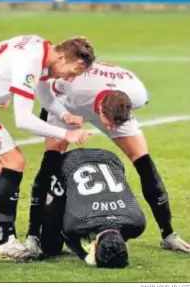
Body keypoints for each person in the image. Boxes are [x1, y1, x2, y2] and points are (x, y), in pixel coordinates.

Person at [0, 35, 95, 260]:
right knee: (14, 161)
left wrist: (64, 114)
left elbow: (44, 92)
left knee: (5, 166)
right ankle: (4, 242)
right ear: (61, 56)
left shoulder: (41, 49)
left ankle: (6, 238)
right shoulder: (31, 61)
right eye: (73, 71)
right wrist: (66, 134)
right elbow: (23, 120)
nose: (69, 78)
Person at [26, 61, 190, 254]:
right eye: (109, 122)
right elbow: (45, 84)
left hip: (111, 102)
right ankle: (32, 237)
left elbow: (121, 117)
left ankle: (168, 235)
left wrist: (117, 120)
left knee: (145, 164)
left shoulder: (136, 94)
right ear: (101, 110)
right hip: (71, 106)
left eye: (117, 123)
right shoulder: (76, 86)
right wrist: (56, 115)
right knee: (50, 163)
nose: (111, 128)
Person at [39, 148, 146, 268]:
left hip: (109, 158)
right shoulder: (76, 223)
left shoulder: (137, 222)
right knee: (50, 248)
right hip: (69, 161)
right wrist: (83, 255)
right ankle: (33, 239)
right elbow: (69, 237)